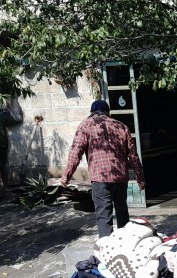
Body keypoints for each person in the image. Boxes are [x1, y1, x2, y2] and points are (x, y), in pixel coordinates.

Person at [60, 99, 146, 237]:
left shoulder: (85, 125)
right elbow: (133, 155)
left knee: (104, 216)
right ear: (108, 112)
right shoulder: (121, 126)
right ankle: (125, 245)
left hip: (100, 178)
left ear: (92, 112)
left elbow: (75, 152)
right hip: (120, 177)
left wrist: (66, 177)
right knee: (122, 212)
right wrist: (140, 178)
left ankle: (107, 249)